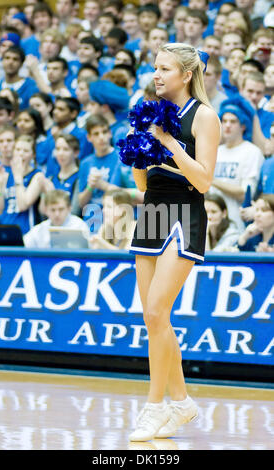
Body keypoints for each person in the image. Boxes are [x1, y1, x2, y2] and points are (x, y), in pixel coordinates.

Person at [128, 43, 220, 441]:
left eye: (165, 68)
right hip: (152, 212)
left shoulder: (205, 116)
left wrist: (166, 144)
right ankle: (181, 402)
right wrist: (139, 155)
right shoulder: (150, 113)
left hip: (185, 214)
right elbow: (143, 183)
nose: (157, 75)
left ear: (186, 74)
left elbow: (203, 180)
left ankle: (154, 406)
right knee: (154, 319)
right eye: (154, 68)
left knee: (156, 311)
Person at [209, 101, 264, 231]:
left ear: (243, 126)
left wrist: (212, 181)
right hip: (211, 222)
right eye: (224, 121)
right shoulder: (215, 151)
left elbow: (245, 193)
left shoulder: (252, 152)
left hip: (237, 223)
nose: (227, 125)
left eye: (233, 122)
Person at [0, 134, 47, 234]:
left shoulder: (37, 176)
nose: (21, 154)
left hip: (25, 231)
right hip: (4, 227)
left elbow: (23, 205)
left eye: (25, 151)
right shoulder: (6, 175)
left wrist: (18, 177)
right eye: (18, 149)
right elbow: (0, 209)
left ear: (33, 155)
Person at [23, 189, 90, 248]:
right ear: (46, 210)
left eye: (61, 209)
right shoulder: (39, 230)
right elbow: (22, 246)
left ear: (69, 208)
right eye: (53, 210)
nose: (57, 214)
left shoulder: (80, 226)